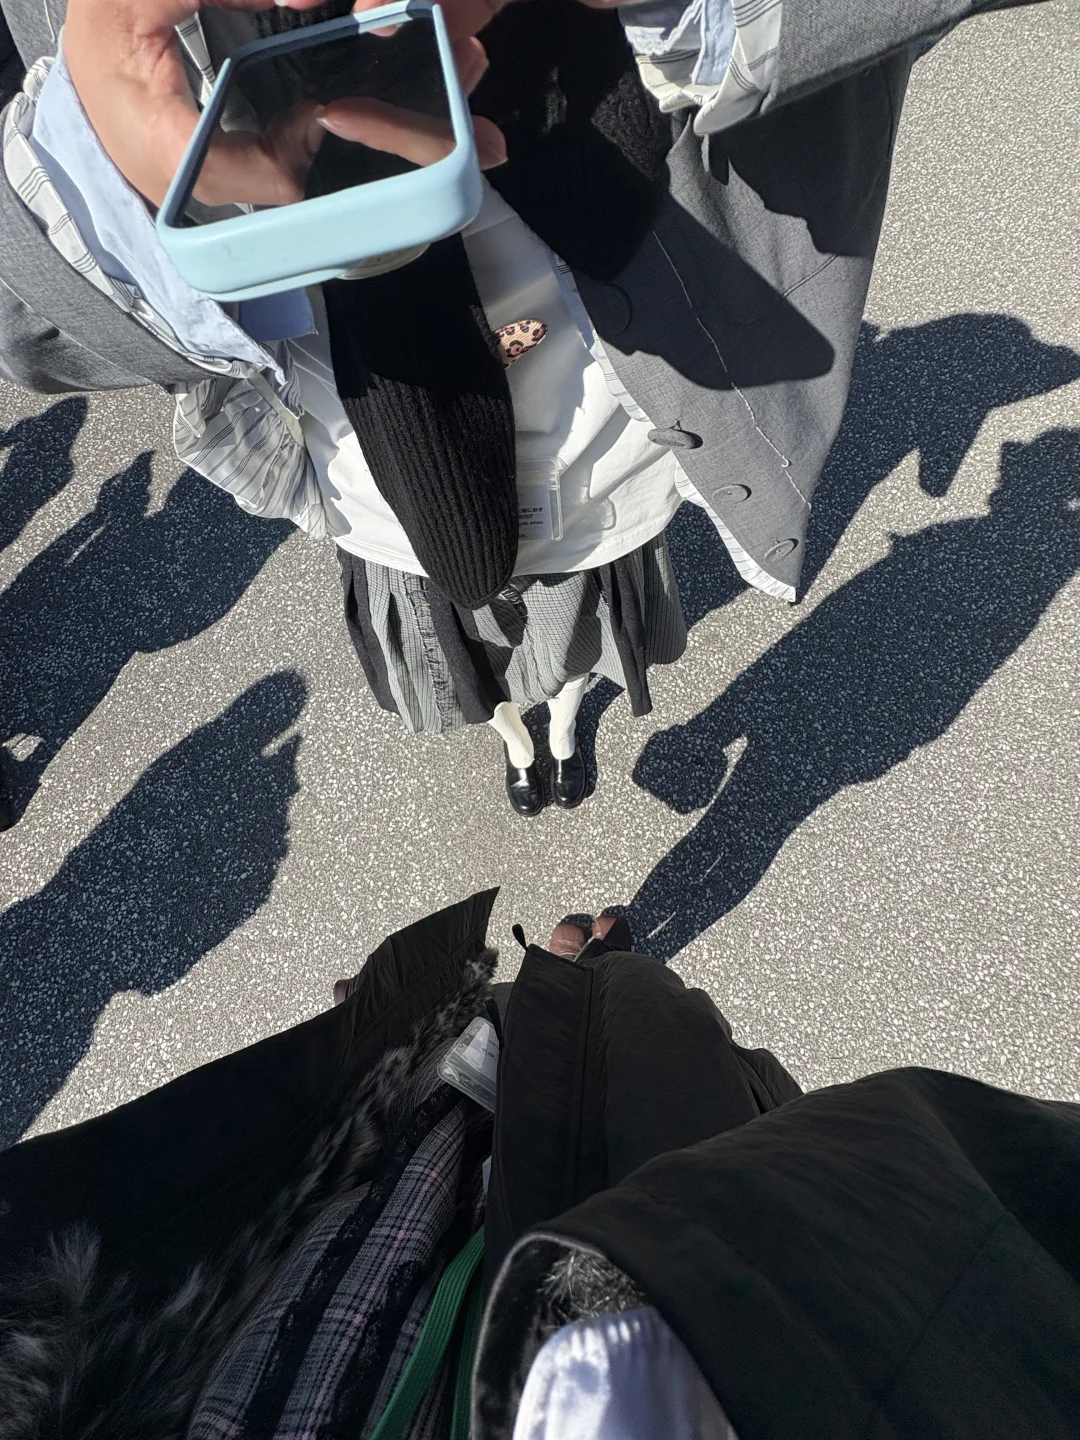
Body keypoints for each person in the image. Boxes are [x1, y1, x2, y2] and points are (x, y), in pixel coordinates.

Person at [0, 0, 1047, 820]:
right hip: (386, 499)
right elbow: (29, 332)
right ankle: (520, 741)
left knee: (570, 651)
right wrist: (92, 143)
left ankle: (559, 726)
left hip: (610, 464)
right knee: (479, 670)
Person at [0, 890, 1077, 1438]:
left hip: (237, 1329)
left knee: (471, 1088)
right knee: (661, 1078)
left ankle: (539, 1011)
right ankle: (582, 991)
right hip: (623, 1306)